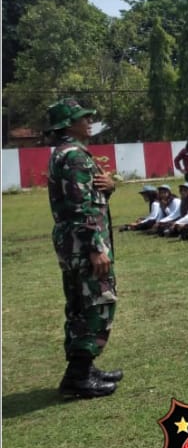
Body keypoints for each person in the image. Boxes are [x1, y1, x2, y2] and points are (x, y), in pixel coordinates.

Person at [45, 98, 122, 399]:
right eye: (82, 118)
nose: (89, 121)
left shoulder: (63, 154)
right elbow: (79, 206)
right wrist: (94, 247)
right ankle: (78, 376)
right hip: (83, 243)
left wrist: (109, 187)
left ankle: (83, 369)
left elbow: (87, 197)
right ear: (67, 125)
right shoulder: (75, 156)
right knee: (97, 302)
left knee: (79, 304)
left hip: (71, 243)